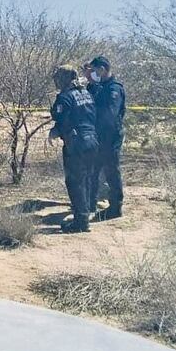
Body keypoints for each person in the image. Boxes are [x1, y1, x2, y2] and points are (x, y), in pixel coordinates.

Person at [48, 64, 98, 234]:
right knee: (87, 179)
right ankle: (87, 212)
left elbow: (60, 118)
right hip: (93, 141)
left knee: (75, 182)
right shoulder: (86, 93)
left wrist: (55, 132)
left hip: (77, 143)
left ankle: (81, 222)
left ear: (64, 78)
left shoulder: (65, 97)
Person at [84, 56, 126, 219]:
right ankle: (90, 204)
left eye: (94, 71)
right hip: (99, 136)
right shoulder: (100, 87)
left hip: (110, 136)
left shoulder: (113, 89)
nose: (93, 74)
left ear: (102, 69)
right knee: (93, 170)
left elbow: (109, 114)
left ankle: (115, 207)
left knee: (111, 171)